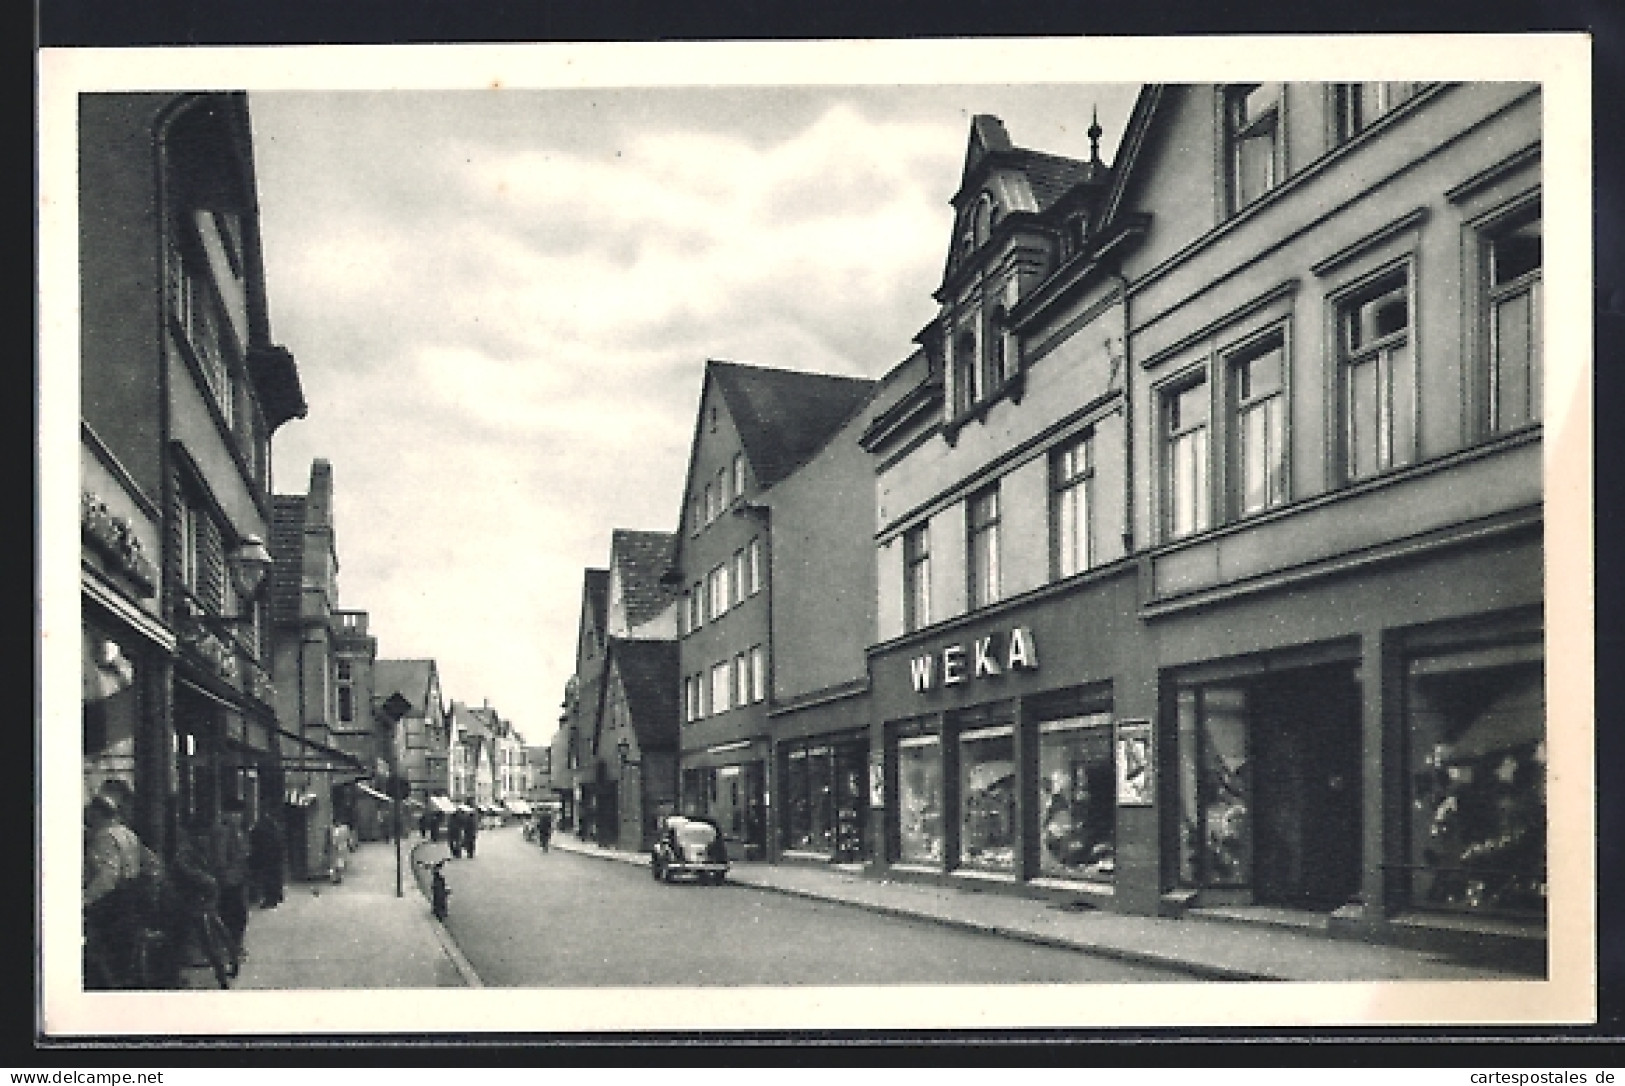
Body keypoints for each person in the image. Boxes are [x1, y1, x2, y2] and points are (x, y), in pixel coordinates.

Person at [83, 789, 145, 988]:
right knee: (124, 954)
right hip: (132, 898)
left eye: (90, 814)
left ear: (98, 813)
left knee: (98, 951)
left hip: (112, 903)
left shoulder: (104, 837)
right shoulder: (128, 834)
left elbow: (107, 876)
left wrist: (84, 900)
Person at [210, 801, 251, 959]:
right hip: (228, 881)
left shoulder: (237, 831)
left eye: (239, 814)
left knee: (238, 915)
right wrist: (224, 875)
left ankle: (234, 946)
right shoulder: (222, 831)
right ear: (227, 813)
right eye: (235, 813)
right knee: (233, 915)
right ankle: (231, 948)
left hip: (237, 879)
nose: (238, 817)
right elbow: (220, 859)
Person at [247, 809, 285, 909]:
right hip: (274, 856)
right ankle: (275, 895)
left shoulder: (260, 828)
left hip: (267, 856)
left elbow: (255, 843)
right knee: (274, 876)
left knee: (268, 877)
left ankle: (270, 898)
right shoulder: (274, 828)